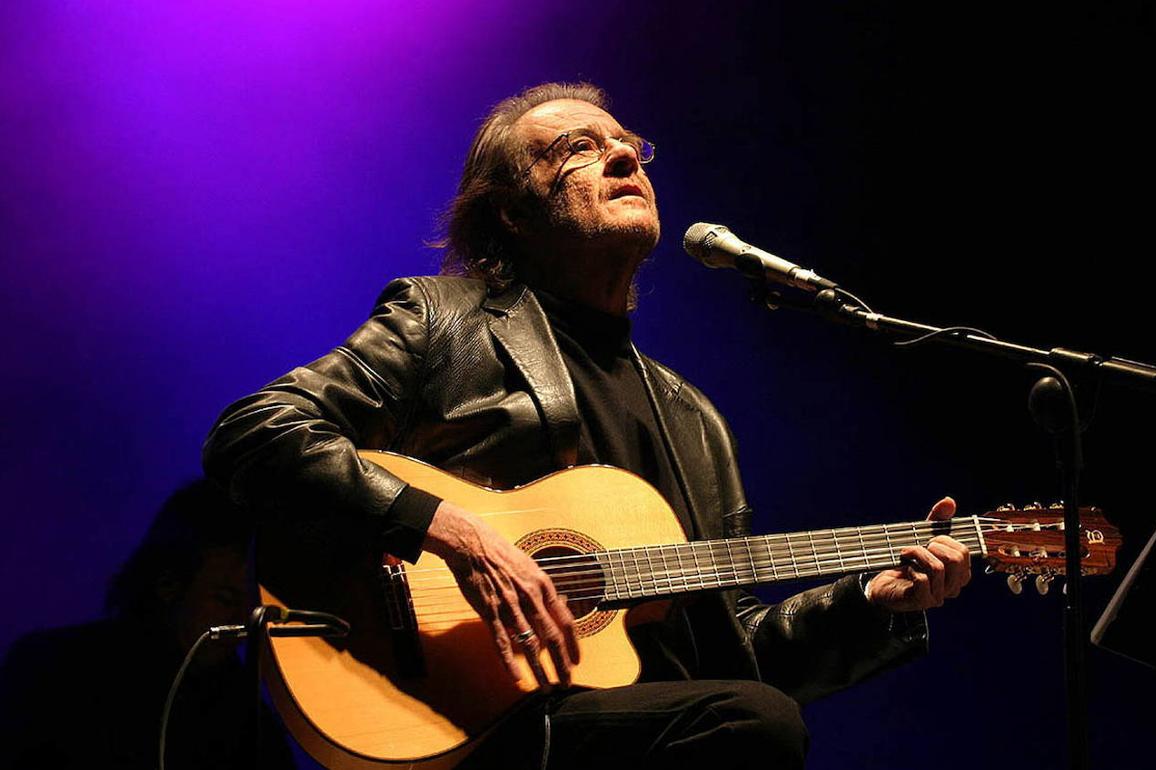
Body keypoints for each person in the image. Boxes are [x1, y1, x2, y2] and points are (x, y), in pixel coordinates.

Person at [202, 81, 972, 768]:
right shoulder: (446, 321)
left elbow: (737, 650)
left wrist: (873, 603)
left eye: (629, 146)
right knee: (752, 720)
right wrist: (454, 533)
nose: (625, 158)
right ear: (512, 212)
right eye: (579, 148)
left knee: (752, 715)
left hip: (629, 730)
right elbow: (258, 430)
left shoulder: (693, 419)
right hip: (457, 709)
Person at [0, 480, 295, 770]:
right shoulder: (52, 668)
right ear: (168, 585)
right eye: (226, 599)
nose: (244, 619)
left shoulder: (245, 713)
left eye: (254, 606)